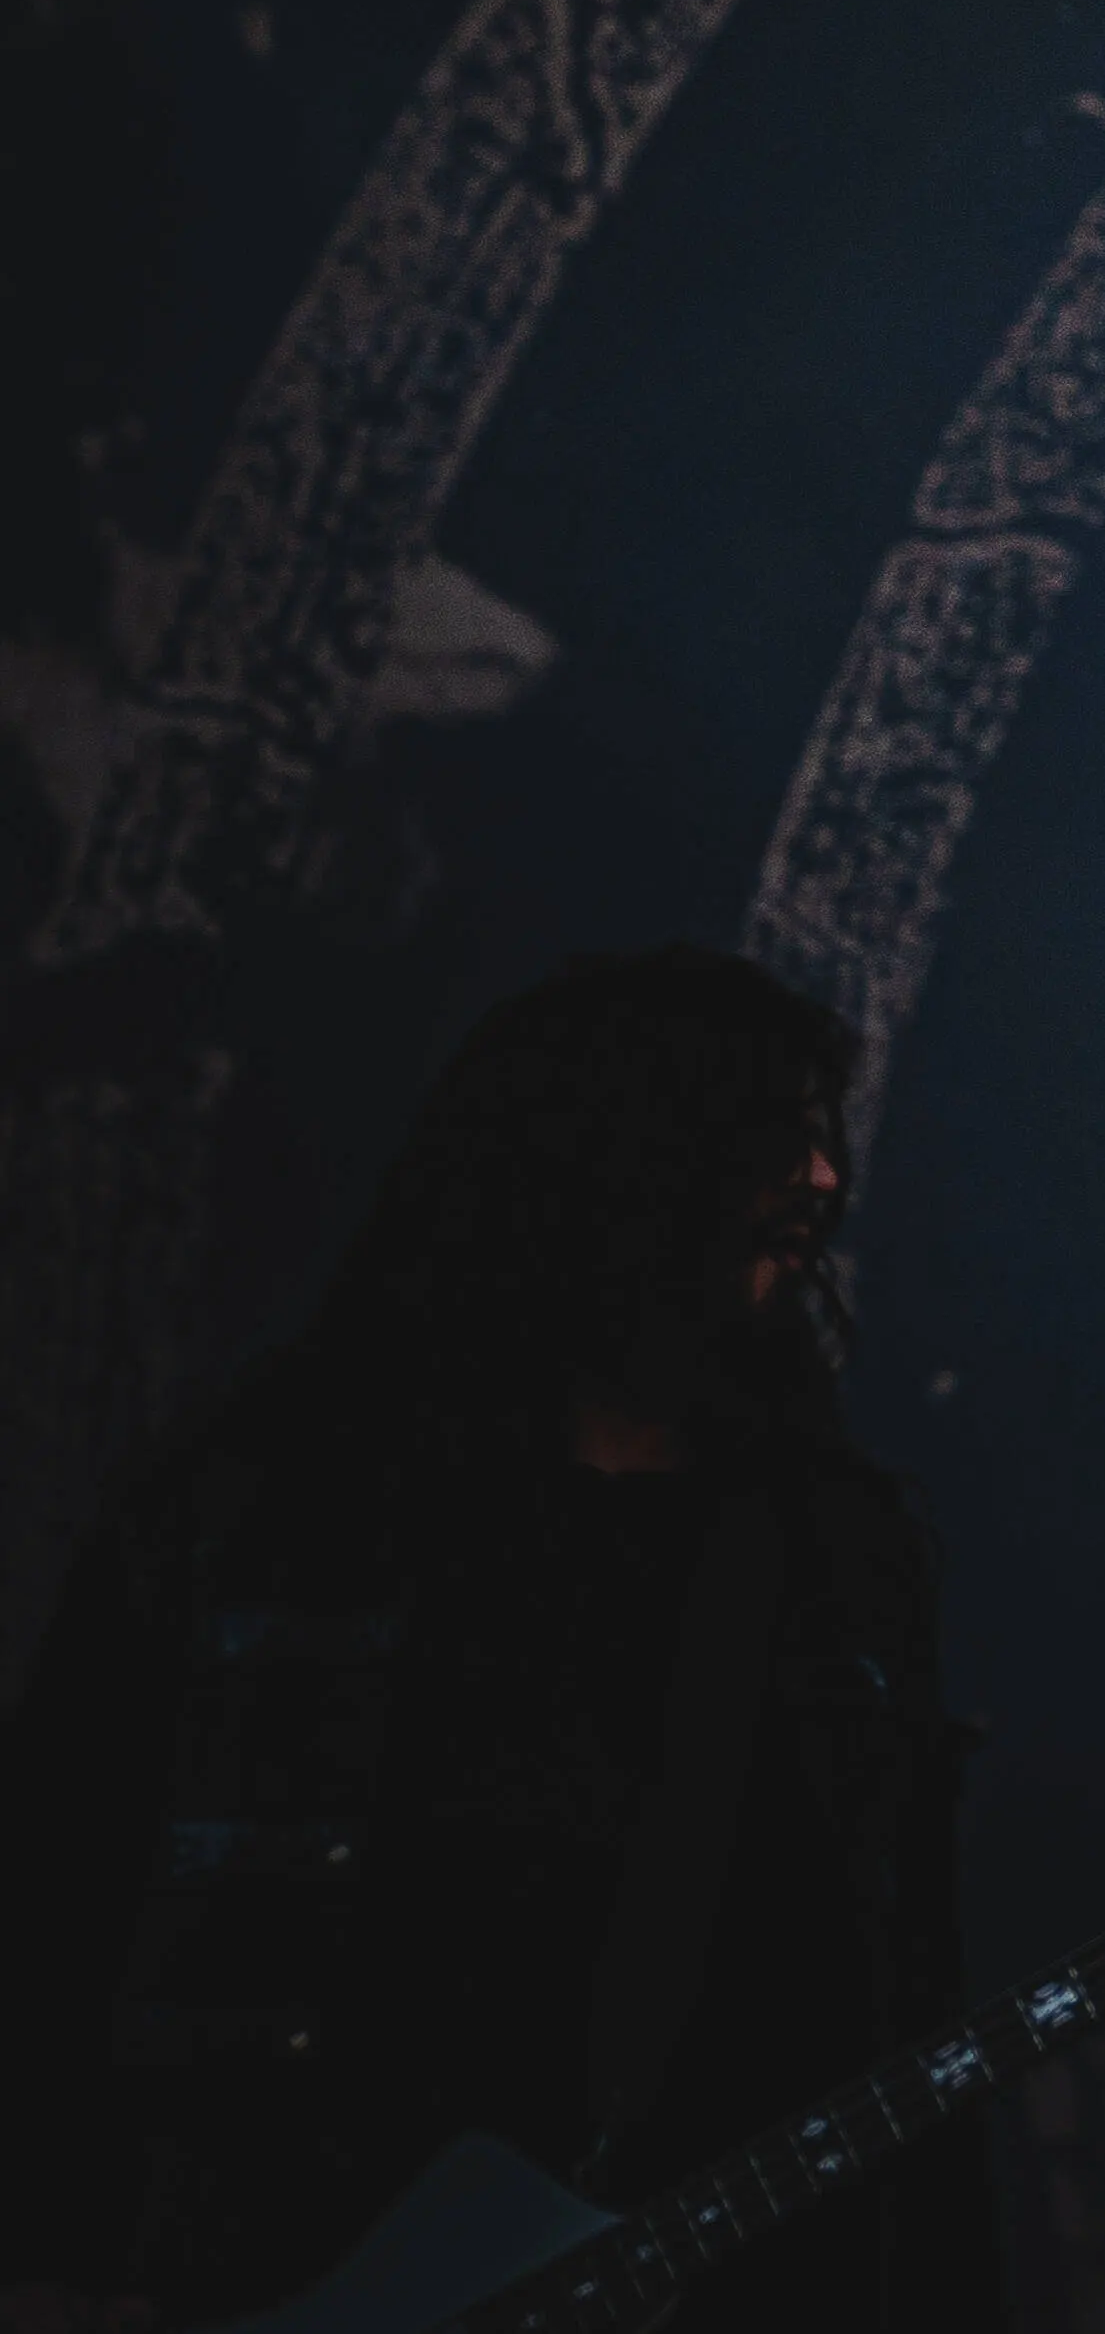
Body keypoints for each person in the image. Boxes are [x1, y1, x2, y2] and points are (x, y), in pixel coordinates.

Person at [0, 948, 992, 2334]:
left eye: (822, 1135)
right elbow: (54, 1903)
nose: (824, 1180)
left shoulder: (831, 1560)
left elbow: (896, 2021)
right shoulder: (251, 1512)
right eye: (772, 1132)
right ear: (620, 1160)